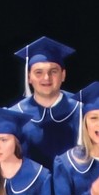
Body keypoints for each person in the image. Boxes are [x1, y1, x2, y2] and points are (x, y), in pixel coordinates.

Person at [10, 36, 80, 167]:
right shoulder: (15, 115)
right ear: (29, 77)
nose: (46, 78)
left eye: (53, 71)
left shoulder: (81, 110)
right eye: (38, 72)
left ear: (63, 75)